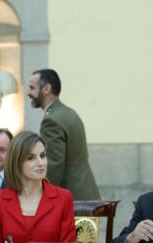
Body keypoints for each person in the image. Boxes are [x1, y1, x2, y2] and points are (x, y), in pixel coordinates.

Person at [0, 131, 77, 243]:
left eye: (43, 156)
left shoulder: (63, 198)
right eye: (31, 158)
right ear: (17, 162)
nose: (41, 163)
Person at [27, 68, 101, 200]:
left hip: (71, 199)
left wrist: (43, 198)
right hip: (85, 194)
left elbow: (53, 166)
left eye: (32, 88)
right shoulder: (68, 113)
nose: (29, 93)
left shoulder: (51, 120)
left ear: (46, 89)